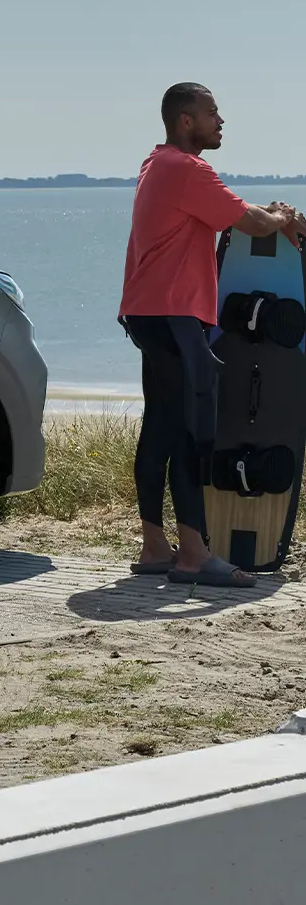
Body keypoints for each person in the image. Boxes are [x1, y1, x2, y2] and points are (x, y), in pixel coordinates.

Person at [120, 83, 303, 586]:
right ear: (185, 120)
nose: (221, 121)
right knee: (192, 432)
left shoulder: (155, 165)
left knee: (159, 426)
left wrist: (267, 220)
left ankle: (156, 546)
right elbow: (251, 221)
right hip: (176, 316)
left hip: (146, 313)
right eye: (212, 113)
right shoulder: (188, 169)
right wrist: (283, 216)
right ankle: (194, 555)